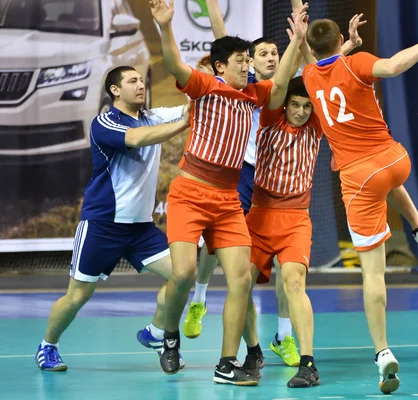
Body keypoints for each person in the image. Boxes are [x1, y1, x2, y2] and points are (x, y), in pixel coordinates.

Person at [182, 0, 367, 369]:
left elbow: (314, 71)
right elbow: (221, 35)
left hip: (283, 192)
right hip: (245, 173)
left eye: (274, 51)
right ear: (248, 59)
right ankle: (199, 299)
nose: (270, 56)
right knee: (217, 250)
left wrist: (332, 41)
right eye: (262, 52)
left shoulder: (287, 91)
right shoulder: (246, 83)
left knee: (289, 274)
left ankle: (283, 335)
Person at [300, 7, 418, 394]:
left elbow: (319, 63)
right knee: (387, 182)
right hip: (394, 160)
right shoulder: (358, 63)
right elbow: (392, 65)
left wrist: (326, 41)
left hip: (359, 178)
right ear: (341, 40)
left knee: (373, 274)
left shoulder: (307, 76)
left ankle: (383, 352)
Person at [150, 0, 304, 384]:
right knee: (183, 272)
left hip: (227, 201)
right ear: (221, 66)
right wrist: (166, 28)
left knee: (240, 280)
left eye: (248, 60)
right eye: (240, 59)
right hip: (189, 194)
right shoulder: (206, 86)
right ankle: (170, 338)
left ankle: (226, 363)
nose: (247, 64)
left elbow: (281, 83)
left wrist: (298, 41)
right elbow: (173, 65)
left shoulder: (252, 95)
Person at [35, 66, 190, 371]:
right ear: (115, 90)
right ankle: (48, 345)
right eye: (132, 81)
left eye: (142, 79)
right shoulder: (105, 122)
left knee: (183, 274)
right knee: (78, 295)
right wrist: (183, 123)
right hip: (102, 224)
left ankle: (156, 331)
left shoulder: (152, 116)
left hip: (142, 229)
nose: (141, 84)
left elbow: (191, 108)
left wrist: (210, 85)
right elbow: (138, 138)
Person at [236, 8, 322, 388]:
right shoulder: (270, 116)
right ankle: (253, 353)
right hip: (260, 214)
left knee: (294, 282)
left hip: (295, 218)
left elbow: (318, 80)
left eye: (306, 106)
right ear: (284, 105)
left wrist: (304, 43)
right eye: (296, 105)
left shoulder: (316, 126)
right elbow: (283, 79)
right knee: (242, 283)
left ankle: (308, 363)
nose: (301, 112)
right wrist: (293, 44)